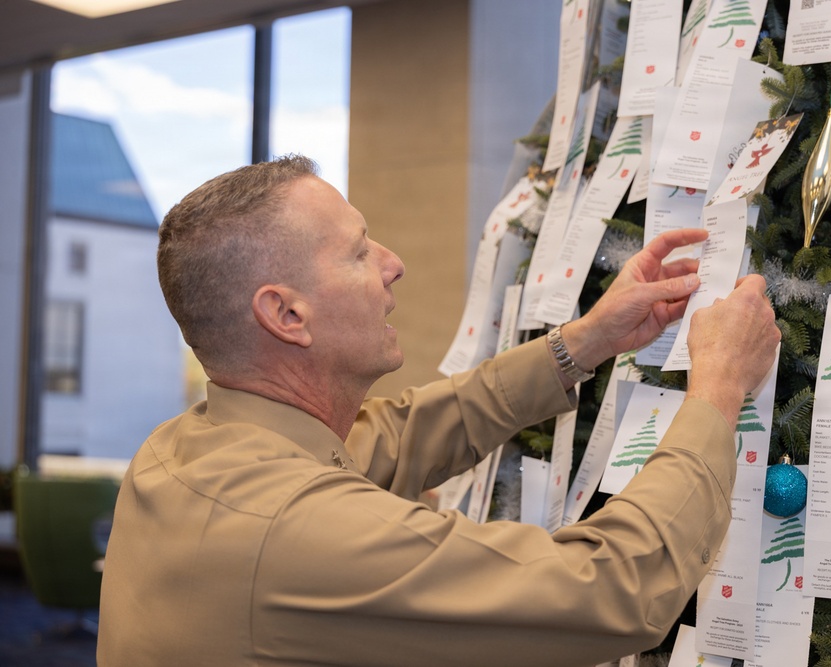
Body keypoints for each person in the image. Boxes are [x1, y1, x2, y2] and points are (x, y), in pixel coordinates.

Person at [97, 155, 780, 666]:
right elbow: (616, 587)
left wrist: (585, 341)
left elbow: (401, 431)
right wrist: (717, 389)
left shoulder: (187, 445)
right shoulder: (295, 529)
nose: (393, 263)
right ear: (285, 314)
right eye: (359, 251)